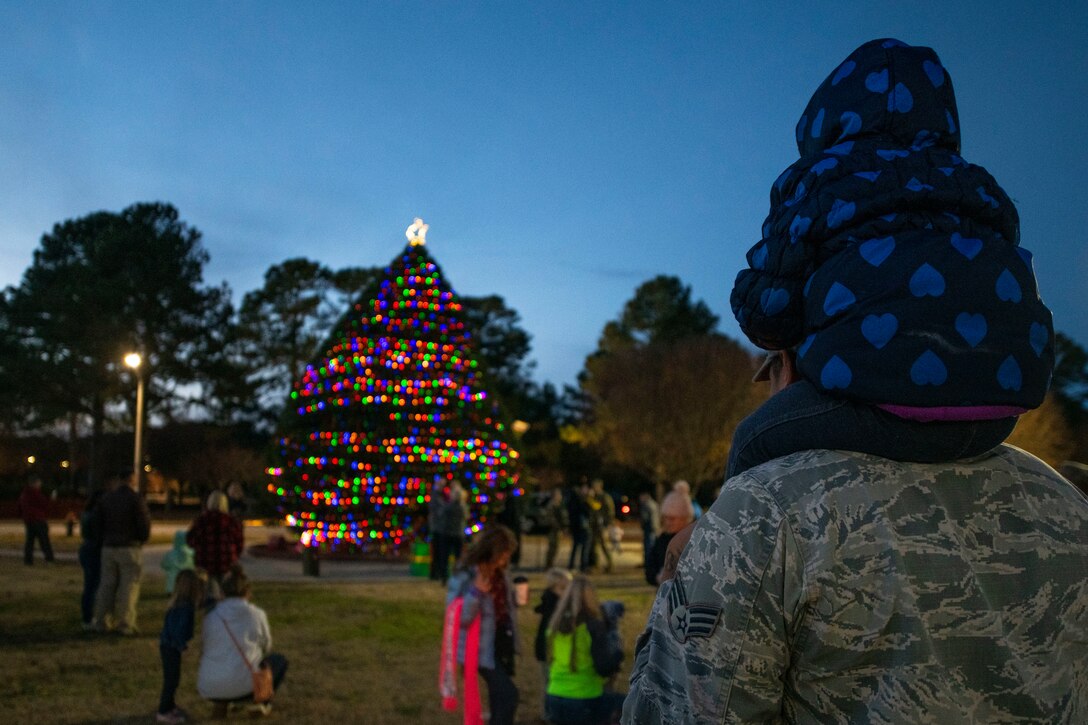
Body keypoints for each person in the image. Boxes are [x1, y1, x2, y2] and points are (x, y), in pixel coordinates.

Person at [622, 39, 1088, 724]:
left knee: (757, 444)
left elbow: (766, 302)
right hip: (991, 395)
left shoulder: (766, 518)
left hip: (855, 384)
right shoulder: (1068, 510)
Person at [726, 39, 1053, 481]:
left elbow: (769, 311)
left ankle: (726, 549)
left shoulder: (820, 181)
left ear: (826, 122)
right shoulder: (978, 187)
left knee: (751, 443)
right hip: (992, 410)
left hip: (866, 402)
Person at [445, 525, 521, 725]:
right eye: (502, 555)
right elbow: (458, 617)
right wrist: (475, 593)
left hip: (501, 640)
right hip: (479, 647)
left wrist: (515, 599)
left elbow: (501, 603)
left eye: (508, 556)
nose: (505, 560)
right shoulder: (465, 575)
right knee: (508, 695)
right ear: (490, 551)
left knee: (499, 697)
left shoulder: (500, 572)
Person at [197, 564, 288, 717]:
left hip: (210, 685)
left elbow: (205, 645)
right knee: (277, 661)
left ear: (222, 592)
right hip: (245, 684)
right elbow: (267, 645)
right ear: (247, 592)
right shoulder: (256, 614)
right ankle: (260, 701)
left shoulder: (211, 616)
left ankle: (221, 702)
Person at [545, 575, 627, 725]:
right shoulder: (592, 627)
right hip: (584, 696)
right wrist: (618, 654)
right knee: (629, 705)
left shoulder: (554, 626)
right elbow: (603, 667)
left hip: (554, 695)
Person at [91, 469, 151, 635]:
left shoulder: (107, 498)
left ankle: (101, 621)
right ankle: (125, 623)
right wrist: (142, 538)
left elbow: (97, 522)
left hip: (109, 546)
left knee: (106, 585)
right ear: (132, 479)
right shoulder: (135, 499)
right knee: (129, 586)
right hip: (129, 547)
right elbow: (143, 523)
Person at [156, 569, 206, 724]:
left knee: (172, 678)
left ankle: (169, 705)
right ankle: (163, 711)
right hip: (172, 646)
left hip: (166, 645)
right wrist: (182, 646)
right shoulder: (186, 608)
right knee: (171, 680)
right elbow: (179, 630)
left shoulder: (176, 604)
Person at [187, 490, 244, 600]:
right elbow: (239, 542)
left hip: (205, 563)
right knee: (227, 594)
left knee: (210, 595)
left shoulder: (201, 521)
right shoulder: (231, 521)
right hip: (227, 562)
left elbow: (191, 540)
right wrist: (234, 555)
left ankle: (212, 614)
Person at [534, 567, 573, 707]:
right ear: (553, 588)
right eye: (563, 588)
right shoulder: (554, 607)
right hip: (549, 651)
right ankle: (549, 711)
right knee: (550, 682)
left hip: (554, 652)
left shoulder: (558, 605)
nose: (567, 592)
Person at [642, 484, 694, 587]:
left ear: (685, 518)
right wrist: (657, 577)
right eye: (666, 518)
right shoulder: (662, 539)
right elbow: (650, 567)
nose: (668, 522)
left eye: (673, 518)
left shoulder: (694, 540)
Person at [78, 488, 104, 630]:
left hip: (86, 549)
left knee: (89, 585)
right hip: (94, 551)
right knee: (93, 586)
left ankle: (87, 617)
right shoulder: (96, 515)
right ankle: (89, 617)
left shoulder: (86, 513)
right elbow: (97, 534)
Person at [16, 477, 54, 565]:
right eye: (39, 483)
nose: (40, 485)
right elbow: (44, 504)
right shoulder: (35, 494)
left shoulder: (24, 494)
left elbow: (19, 507)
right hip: (38, 520)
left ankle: (28, 560)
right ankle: (49, 558)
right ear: (35, 484)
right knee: (44, 540)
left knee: (30, 541)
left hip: (28, 520)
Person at [437, 482, 468, 584]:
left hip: (447, 534)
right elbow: (466, 518)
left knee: (445, 557)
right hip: (458, 535)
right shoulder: (463, 508)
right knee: (458, 558)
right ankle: (457, 576)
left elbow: (441, 516)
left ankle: (444, 577)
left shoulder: (448, 507)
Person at [586, 480, 614, 573]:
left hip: (602, 525)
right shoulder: (594, 497)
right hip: (594, 525)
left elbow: (609, 511)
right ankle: (595, 565)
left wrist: (608, 524)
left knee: (603, 545)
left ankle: (610, 564)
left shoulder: (604, 497)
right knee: (594, 545)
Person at [161, 530, 195, 595]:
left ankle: (171, 591)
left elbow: (164, 564)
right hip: (187, 582)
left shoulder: (170, 554)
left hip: (171, 587)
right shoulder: (191, 553)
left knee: (172, 578)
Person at [566, 484, 590, 572]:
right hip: (582, 527)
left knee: (575, 547)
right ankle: (583, 566)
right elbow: (587, 512)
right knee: (584, 547)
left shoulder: (572, 501)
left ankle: (571, 565)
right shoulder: (581, 500)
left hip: (575, 527)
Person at [541, 488, 567, 570]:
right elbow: (550, 518)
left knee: (555, 547)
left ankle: (550, 564)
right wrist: (557, 526)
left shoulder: (559, 505)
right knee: (552, 547)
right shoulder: (551, 505)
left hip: (557, 529)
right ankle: (548, 564)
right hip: (552, 529)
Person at [636, 492, 659, 565]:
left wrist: (642, 524)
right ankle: (652, 562)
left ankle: (648, 562)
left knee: (648, 546)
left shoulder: (646, 505)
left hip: (649, 528)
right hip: (654, 527)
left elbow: (644, 518)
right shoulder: (654, 504)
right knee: (652, 545)